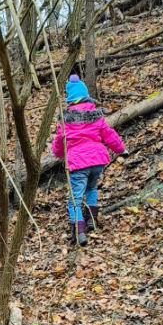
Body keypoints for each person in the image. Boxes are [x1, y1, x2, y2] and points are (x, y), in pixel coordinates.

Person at [50, 75, 126, 246]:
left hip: (77, 163)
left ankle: (79, 231)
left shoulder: (65, 119)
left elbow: (59, 141)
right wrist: (121, 149)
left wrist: (58, 153)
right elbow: (109, 134)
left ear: (70, 99)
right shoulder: (95, 115)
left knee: (74, 198)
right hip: (98, 160)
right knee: (91, 188)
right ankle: (92, 219)